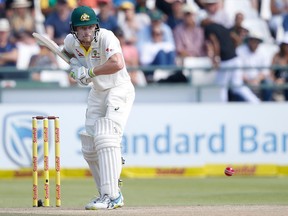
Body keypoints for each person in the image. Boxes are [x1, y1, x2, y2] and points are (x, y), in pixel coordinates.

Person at [63, 6, 135, 210]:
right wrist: (76, 68)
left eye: (90, 26)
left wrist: (90, 72)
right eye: (81, 28)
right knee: (89, 144)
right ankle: (107, 193)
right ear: (74, 30)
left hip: (119, 88)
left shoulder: (106, 37)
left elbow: (118, 63)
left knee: (106, 136)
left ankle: (111, 197)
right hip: (98, 92)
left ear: (96, 26)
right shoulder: (71, 42)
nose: (86, 31)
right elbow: (69, 55)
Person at [200, 15, 260, 103]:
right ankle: (256, 102)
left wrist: (216, 58)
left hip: (226, 60)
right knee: (237, 86)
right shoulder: (221, 26)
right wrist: (231, 49)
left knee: (221, 86)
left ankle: (222, 107)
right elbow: (235, 39)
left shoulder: (208, 28)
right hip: (235, 58)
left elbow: (215, 43)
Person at [236, 30, 274, 101]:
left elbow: (265, 71)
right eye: (253, 40)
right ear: (249, 41)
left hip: (259, 80)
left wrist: (257, 80)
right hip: (244, 79)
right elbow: (238, 69)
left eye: (256, 41)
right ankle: (241, 108)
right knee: (237, 84)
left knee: (268, 83)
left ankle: (267, 106)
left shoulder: (264, 52)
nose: (254, 43)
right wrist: (247, 80)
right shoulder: (240, 51)